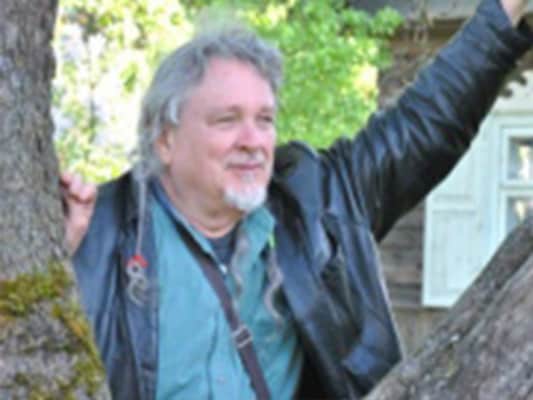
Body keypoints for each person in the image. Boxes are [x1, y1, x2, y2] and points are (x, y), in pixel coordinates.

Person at [62, 0, 532, 398]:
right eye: (227, 120)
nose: (253, 141)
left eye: (264, 120)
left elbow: (422, 126)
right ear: (165, 139)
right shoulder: (94, 236)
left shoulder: (315, 207)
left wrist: (502, 12)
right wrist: (62, 257)